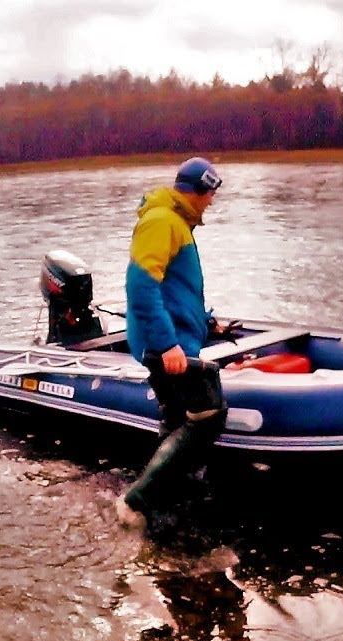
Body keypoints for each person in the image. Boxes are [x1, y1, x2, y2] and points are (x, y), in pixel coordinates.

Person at [116, 157, 230, 531]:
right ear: (198, 192)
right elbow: (141, 285)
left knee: (176, 419)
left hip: (174, 340)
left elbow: (174, 288)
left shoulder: (175, 222)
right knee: (208, 415)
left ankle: (170, 502)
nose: (212, 201)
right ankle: (137, 502)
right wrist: (167, 344)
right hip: (166, 346)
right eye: (210, 194)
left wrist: (207, 320)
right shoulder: (163, 221)